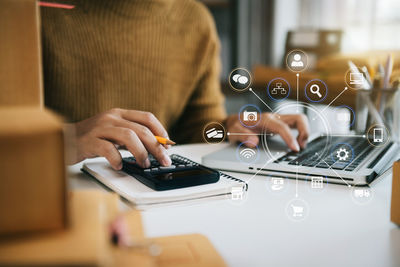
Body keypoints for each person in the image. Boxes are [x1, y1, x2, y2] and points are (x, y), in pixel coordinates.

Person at [41, 0, 309, 170]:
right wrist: (63, 140)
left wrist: (230, 128)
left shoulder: (195, 20)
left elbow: (196, 130)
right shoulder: (33, 12)